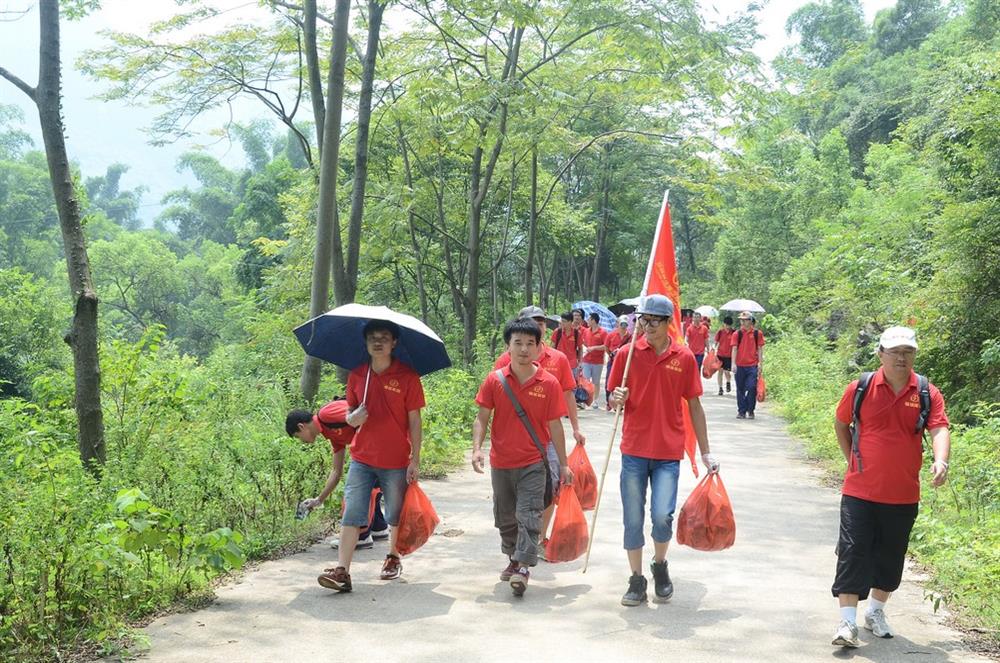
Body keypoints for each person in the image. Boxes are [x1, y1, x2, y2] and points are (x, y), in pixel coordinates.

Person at [830, 326, 950, 648]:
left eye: (908, 352)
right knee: (853, 551)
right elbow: (841, 423)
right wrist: (852, 459)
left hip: (903, 493)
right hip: (859, 491)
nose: (901, 358)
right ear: (880, 354)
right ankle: (847, 623)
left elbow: (939, 428)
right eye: (895, 352)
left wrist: (941, 461)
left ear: (914, 355)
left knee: (891, 555)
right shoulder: (861, 387)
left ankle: (875, 612)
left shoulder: (926, 392)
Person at [607, 294, 720, 606]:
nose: (647, 326)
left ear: (669, 322)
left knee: (661, 516)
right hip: (634, 449)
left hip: (668, 452)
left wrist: (706, 452)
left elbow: (694, 405)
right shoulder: (627, 354)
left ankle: (659, 565)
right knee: (633, 518)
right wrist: (617, 398)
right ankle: (636, 579)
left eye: (654, 320)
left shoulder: (683, 358)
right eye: (643, 320)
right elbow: (612, 400)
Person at [316, 320, 426, 593]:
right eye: (372, 337)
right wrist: (352, 418)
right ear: (365, 343)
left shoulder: (407, 376)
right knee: (352, 511)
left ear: (394, 343)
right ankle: (342, 571)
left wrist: (415, 459)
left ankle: (393, 557)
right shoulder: (358, 375)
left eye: (384, 337)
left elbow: (415, 420)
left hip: (396, 459)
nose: (378, 342)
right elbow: (348, 413)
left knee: (395, 513)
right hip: (362, 457)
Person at [473, 317, 574, 596]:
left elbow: (555, 426)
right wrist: (477, 448)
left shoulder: (549, 383)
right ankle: (513, 558)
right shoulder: (494, 380)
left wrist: (564, 464)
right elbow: (482, 417)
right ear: (508, 346)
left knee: (528, 514)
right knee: (505, 517)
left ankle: (523, 568)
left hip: (533, 462)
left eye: (531, 343)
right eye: (518, 343)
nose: (524, 349)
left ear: (540, 347)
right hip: (502, 462)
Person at [495, 305, 587, 557]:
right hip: (513, 443)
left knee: (549, 488)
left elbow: (568, 394)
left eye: (542, 321)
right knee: (514, 498)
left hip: (546, 438)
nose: (539, 325)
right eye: (533, 320)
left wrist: (576, 428)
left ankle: (537, 537)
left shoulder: (558, 359)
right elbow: (494, 397)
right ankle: (521, 538)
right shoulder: (505, 359)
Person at [285, 401, 388, 550]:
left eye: (298, 437)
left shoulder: (326, 414)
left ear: (301, 427)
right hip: (372, 451)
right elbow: (336, 472)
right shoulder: (332, 435)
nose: (302, 441)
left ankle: (360, 536)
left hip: (380, 445)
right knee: (366, 485)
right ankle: (378, 527)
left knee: (356, 489)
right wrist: (318, 500)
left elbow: (364, 411)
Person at [731, 311, 765, 419]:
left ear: (750, 321)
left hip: (752, 365)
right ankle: (741, 411)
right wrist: (733, 364)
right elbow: (734, 349)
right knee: (740, 389)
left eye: (745, 320)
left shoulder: (757, 334)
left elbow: (760, 349)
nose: (742, 322)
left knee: (751, 387)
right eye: (741, 320)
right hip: (740, 365)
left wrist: (760, 363)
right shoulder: (737, 334)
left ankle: (750, 410)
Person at [580, 312, 608, 409]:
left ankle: (595, 400)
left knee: (596, 382)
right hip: (586, 360)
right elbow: (583, 342)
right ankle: (585, 400)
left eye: (589, 319)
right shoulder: (586, 331)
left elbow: (606, 346)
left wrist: (594, 348)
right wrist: (585, 347)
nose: (587, 321)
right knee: (586, 380)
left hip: (597, 361)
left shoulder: (603, 332)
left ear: (593, 320)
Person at [604, 316, 631, 410]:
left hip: (624, 363)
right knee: (609, 382)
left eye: (625, 324)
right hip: (612, 362)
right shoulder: (611, 335)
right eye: (621, 324)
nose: (623, 327)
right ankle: (609, 402)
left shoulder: (630, 336)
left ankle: (619, 403)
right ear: (617, 324)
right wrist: (611, 355)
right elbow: (606, 347)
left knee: (622, 382)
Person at [553, 312, 582, 378]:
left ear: (570, 322)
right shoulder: (557, 332)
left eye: (564, 321)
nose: (561, 323)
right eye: (561, 321)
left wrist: (580, 362)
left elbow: (580, 348)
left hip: (572, 366)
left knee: (572, 384)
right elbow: (552, 348)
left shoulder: (577, 333)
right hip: (559, 363)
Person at [714, 316, 735, 396]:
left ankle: (728, 382)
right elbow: (716, 342)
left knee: (727, 372)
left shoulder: (734, 333)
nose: (727, 327)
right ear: (724, 324)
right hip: (720, 355)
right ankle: (720, 388)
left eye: (729, 325)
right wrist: (713, 349)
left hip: (729, 356)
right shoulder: (720, 332)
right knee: (720, 371)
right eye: (726, 325)